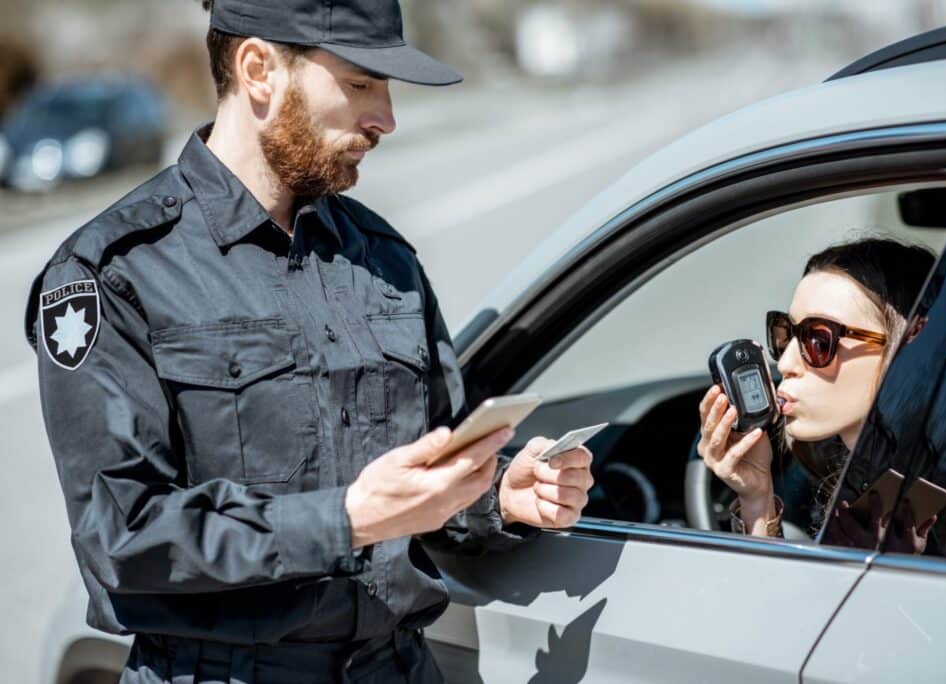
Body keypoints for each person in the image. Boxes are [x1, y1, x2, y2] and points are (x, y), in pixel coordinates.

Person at [24, 1, 594, 682]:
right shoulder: (114, 273)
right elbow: (123, 537)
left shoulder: (384, 259)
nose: (386, 117)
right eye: (359, 83)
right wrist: (346, 519)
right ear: (259, 68)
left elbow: (421, 474)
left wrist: (495, 496)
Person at [696, 237, 935, 544]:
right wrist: (757, 498)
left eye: (819, 341)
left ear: (906, 346)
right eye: (786, 335)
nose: (785, 363)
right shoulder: (871, 483)